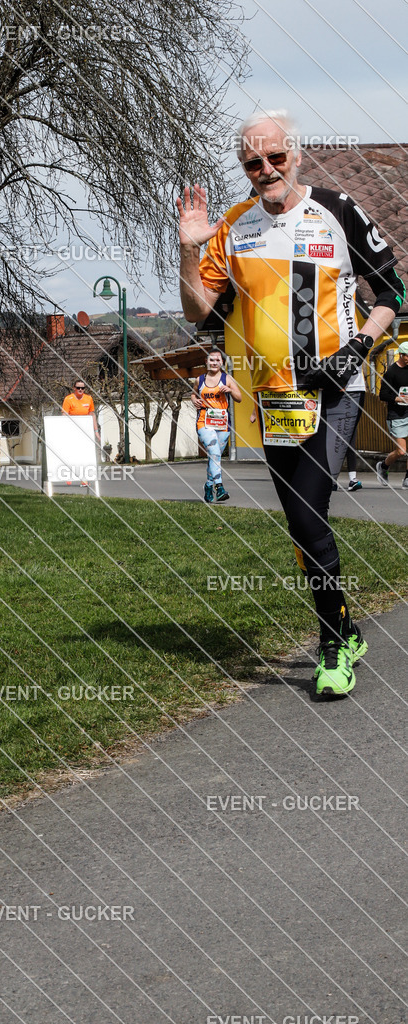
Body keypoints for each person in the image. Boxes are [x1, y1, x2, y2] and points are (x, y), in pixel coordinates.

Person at [177, 109, 405, 698]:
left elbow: (393, 291)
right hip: (271, 398)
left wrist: (355, 347)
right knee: (304, 529)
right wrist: (187, 250)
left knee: (307, 514)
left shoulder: (335, 207)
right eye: (253, 161)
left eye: (276, 157)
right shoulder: (233, 226)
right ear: (244, 166)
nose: (266, 169)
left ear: (295, 154)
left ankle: (332, 647)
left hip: (334, 391)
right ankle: (345, 624)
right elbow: (198, 313)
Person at [192, 350, 242, 502]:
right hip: (204, 421)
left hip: (222, 422)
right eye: (211, 360)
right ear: (206, 362)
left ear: (222, 362)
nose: (214, 363)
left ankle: (208, 485)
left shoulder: (227, 379)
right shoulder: (199, 380)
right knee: (213, 451)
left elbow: (239, 398)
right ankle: (219, 487)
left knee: (215, 456)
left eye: (217, 360)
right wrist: (194, 400)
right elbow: (193, 394)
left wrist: (230, 390)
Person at [376, 341, 408, 488]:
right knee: (401, 451)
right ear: (401, 355)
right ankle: (383, 466)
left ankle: (407, 479)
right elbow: (382, 395)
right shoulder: (391, 372)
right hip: (397, 414)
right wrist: (398, 398)